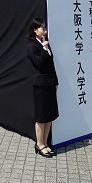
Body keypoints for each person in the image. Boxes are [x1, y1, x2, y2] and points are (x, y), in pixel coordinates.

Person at [26, 17, 58, 158]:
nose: (44, 30)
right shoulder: (31, 46)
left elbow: (51, 65)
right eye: (42, 28)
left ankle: (45, 143)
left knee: (49, 115)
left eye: (45, 28)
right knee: (41, 116)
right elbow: (38, 64)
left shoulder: (45, 43)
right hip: (40, 84)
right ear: (35, 30)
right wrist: (44, 49)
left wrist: (55, 82)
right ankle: (39, 144)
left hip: (50, 83)